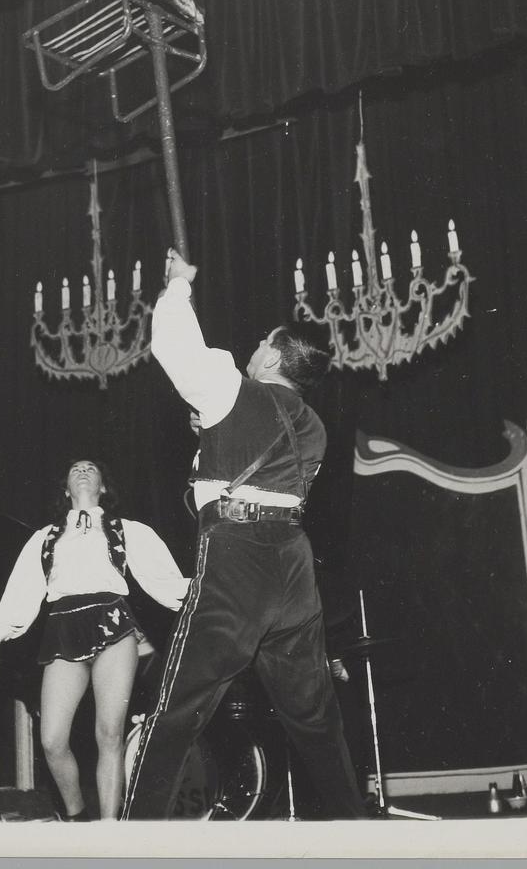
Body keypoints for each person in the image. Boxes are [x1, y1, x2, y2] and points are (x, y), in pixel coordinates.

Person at [122, 249, 366, 820]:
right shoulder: (314, 425)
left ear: (274, 356)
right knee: (315, 716)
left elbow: (175, 347)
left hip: (239, 556)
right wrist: (212, 432)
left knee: (177, 705)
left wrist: (178, 286)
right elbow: (260, 468)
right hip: (293, 564)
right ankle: (357, 833)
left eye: (262, 343)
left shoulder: (232, 389)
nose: (254, 348)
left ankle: (133, 842)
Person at [0, 459, 188, 820]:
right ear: (66, 489)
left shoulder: (127, 530)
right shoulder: (44, 538)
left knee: (109, 733)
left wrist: (207, 590)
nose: (84, 471)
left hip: (113, 625)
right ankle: (77, 818)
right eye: (76, 469)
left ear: (103, 487)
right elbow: (20, 593)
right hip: (63, 629)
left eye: (91, 468)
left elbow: (166, 582)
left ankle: (108, 830)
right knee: (52, 740)